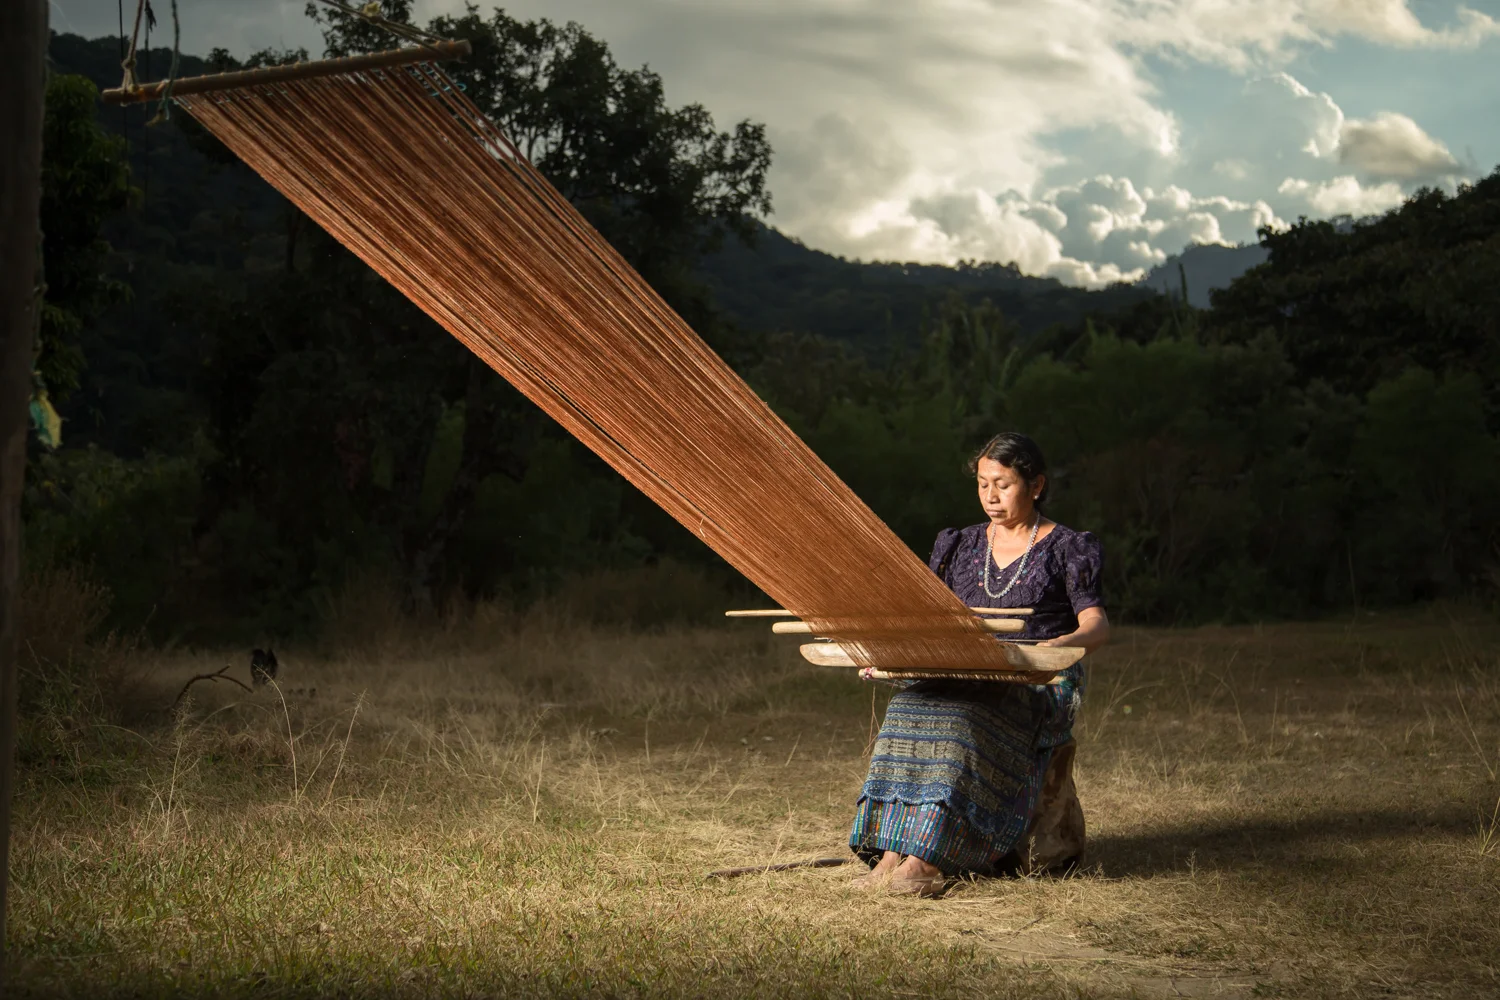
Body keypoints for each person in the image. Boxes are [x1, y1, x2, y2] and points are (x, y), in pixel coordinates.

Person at [849, 432, 1110, 896]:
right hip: (962, 671)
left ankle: (928, 861)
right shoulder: (958, 544)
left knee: (962, 719)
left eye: (1003, 484)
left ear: (1036, 485)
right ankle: (893, 851)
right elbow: (926, 621)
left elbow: (1096, 625)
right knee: (905, 710)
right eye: (983, 483)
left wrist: (1060, 645)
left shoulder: (1068, 546)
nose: (990, 495)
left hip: (1037, 678)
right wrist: (891, 657)